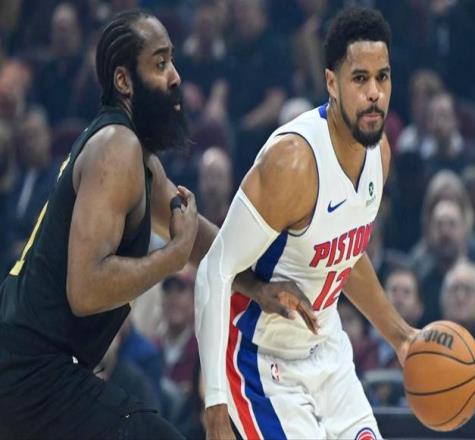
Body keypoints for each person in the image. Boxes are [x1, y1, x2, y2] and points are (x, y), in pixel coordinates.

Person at [0, 9, 313, 439]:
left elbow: (195, 237)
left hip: (35, 370)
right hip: (31, 372)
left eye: (173, 61)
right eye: (160, 63)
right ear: (124, 81)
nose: (176, 77)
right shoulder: (117, 147)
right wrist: (170, 259)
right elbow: (86, 289)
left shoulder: (137, 158)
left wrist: (258, 286)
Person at [196, 7, 418, 440]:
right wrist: (216, 404)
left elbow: (346, 257)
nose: (375, 93)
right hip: (262, 364)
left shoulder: (380, 153)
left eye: (383, 77)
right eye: (360, 79)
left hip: (327, 351)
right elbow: (213, 270)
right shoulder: (292, 162)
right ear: (331, 83)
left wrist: (401, 337)